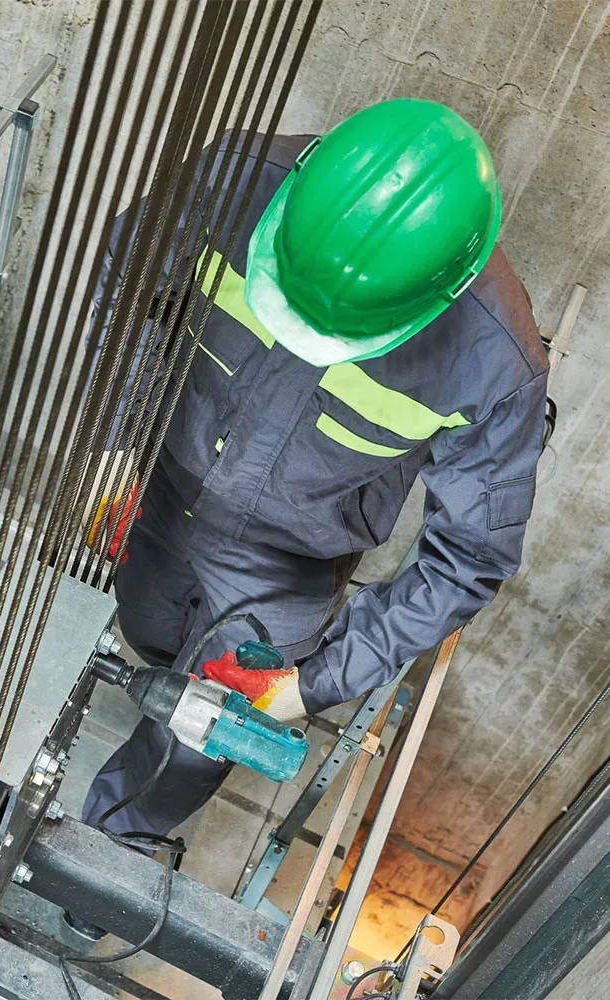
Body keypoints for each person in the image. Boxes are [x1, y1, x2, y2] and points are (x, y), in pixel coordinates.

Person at [81, 97, 548, 875]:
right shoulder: (233, 177)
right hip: (164, 483)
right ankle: (145, 675)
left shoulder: (495, 362)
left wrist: (321, 681)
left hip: (286, 565)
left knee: (201, 735)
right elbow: (126, 289)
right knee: (148, 629)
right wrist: (116, 439)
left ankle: (106, 848)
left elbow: (466, 560)